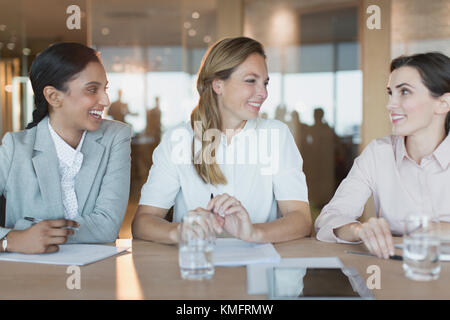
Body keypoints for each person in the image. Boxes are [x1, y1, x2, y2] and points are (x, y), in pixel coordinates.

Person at [132, 37, 312, 244]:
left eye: (265, 83)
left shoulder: (277, 135)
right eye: (251, 81)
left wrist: (254, 233)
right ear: (218, 85)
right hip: (198, 266)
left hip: (259, 269)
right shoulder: (178, 140)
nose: (263, 93)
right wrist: (180, 232)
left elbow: (301, 219)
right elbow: (142, 222)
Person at [315, 52, 450, 259]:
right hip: (395, 277)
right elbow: (328, 218)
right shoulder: (378, 153)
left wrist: (443, 230)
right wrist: (359, 230)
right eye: (390, 93)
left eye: (404, 92)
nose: (390, 105)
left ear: (443, 103)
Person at [0, 42, 132, 254]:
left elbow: (107, 226)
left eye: (104, 88)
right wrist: (11, 240)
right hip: (29, 276)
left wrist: (27, 230)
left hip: (98, 273)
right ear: (54, 97)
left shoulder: (115, 137)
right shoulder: (15, 148)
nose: (106, 100)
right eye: (92, 90)